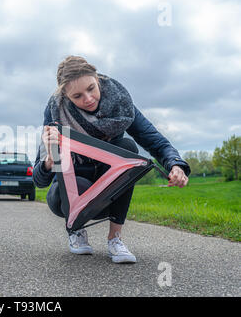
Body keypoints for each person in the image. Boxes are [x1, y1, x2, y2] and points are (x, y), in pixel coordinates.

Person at [33, 55, 190, 264]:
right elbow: (39, 181)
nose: (88, 99)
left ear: (97, 79)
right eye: (77, 96)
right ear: (66, 96)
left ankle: (115, 239)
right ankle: (75, 229)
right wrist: (50, 161)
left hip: (109, 191)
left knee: (128, 148)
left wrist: (176, 165)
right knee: (75, 177)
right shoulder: (56, 111)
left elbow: (154, 140)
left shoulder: (120, 104)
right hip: (68, 197)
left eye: (91, 88)